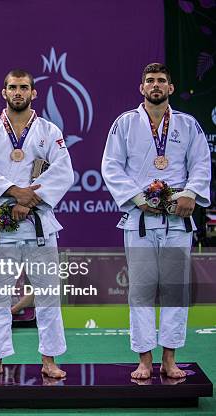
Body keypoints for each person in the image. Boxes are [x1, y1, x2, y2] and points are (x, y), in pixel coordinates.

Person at [102, 63, 211, 379]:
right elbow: (111, 166)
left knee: (175, 289)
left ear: (171, 88)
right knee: (142, 289)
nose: (156, 85)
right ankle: (145, 360)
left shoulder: (188, 125)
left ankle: (170, 358)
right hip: (141, 219)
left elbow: (201, 163)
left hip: (177, 217)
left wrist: (191, 193)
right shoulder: (125, 124)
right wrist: (138, 198)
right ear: (142, 88)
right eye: (150, 81)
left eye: (161, 81)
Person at [0, 69, 73, 378]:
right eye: (12, 87)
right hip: (3, 224)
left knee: (47, 293)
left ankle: (49, 360)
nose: (18, 92)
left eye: (24, 87)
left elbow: (63, 172)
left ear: (33, 93)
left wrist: (28, 202)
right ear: (3, 92)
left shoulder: (48, 130)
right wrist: (16, 195)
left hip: (39, 224)